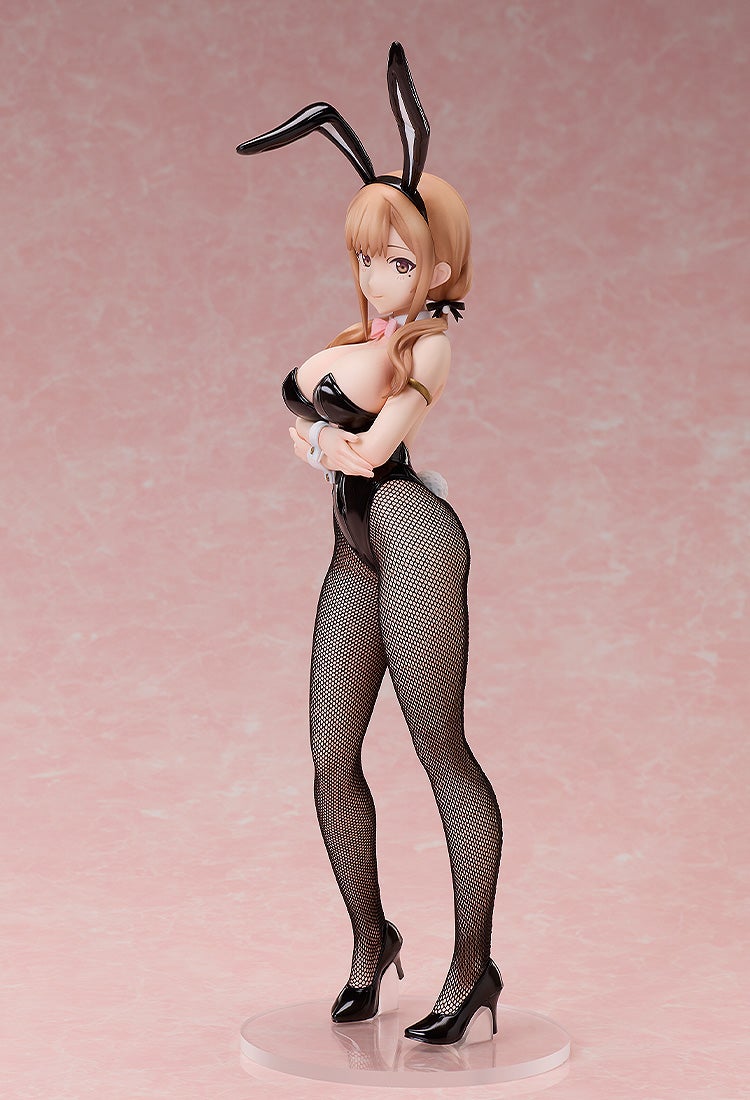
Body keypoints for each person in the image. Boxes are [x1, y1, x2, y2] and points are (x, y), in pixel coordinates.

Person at [238, 43, 503, 1047]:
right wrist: (325, 429)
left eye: (399, 260)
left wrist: (316, 438)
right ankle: (370, 938)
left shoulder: (428, 345)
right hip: (354, 544)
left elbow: (372, 444)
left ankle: (473, 966)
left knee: (440, 751)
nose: (378, 277)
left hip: (413, 533)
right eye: (366, 257)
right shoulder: (364, 341)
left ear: (439, 266)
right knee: (328, 755)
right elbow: (316, 399)